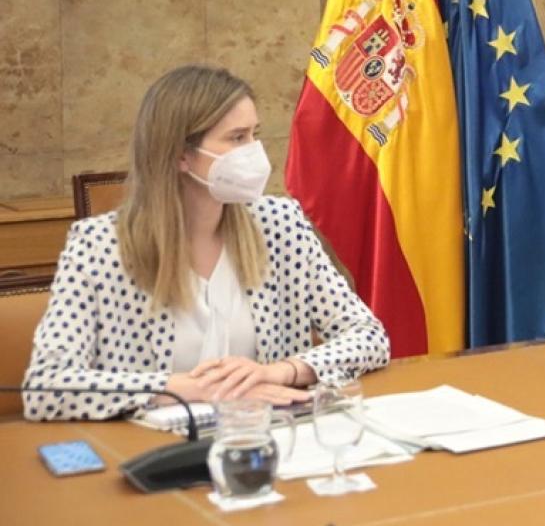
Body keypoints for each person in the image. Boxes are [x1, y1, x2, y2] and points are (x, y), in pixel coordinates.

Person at [24, 65, 390, 421]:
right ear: (180, 155)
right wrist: (185, 388)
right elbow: (45, 386)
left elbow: (369, 336)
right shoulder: (99, 246)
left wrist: (283, 371)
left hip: (268, 438)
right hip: (153, 449)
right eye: (237, 138)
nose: (255, 152)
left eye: (255, 135)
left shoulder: (280, 225)